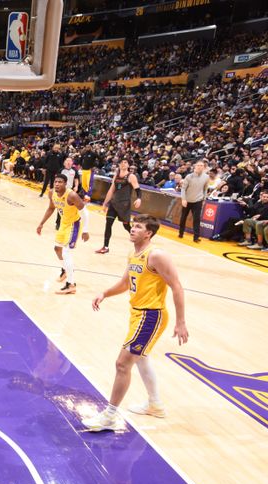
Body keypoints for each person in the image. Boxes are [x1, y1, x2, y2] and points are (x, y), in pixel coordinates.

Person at [82, 215, 188, 431]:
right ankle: (155, 404)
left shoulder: (156, 255)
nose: (132, 229)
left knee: (122, 364)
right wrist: (104, 293)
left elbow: (177, 286)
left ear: (148, 233)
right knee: (140, 358)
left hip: (151, 316)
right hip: (137, 315)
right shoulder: (134, 253)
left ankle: (110, 415)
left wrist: (181, 322)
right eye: (133, 225)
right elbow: (124, 284)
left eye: (138, 227)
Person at [36, 173, 90, 295]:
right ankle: (65, 270)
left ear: (66, 184)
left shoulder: (72, 195)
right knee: (57, 249)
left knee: (66, 253)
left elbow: (85, 212)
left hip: (74, 225)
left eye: (60, 182)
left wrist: (85, 230)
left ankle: (71, 284)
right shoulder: (52, 193)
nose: (57, 184)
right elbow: (51, 208)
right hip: (64, 224)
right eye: (56, 182)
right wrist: (41, 223)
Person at [96, 159, 141, 254]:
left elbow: (138, 189)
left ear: (128, 165)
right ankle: (106, 247)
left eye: (125, 162)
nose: (123, 164)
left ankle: (140, 242)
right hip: (113, 203)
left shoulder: (131, 176)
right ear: (119, 165)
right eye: (121, 162)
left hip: (124, 205)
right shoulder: (116, 175)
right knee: (108, 224)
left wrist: (139, 198)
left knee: (126, 226)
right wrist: (105, 204)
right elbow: (111, 190)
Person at [178, 160, 209, 243]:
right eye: (198, 165)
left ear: (204, 167)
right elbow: (183, 189)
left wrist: (204, 199)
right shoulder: (189, 176)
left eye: (201, 165)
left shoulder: (206, 177)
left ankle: (196, 237)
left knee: (197, 219)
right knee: (183, 217)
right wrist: (183, 199)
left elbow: (205, 189)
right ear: (195, 167)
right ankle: (181, 233)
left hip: (198, 200)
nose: (200, 167)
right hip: (187, 200)